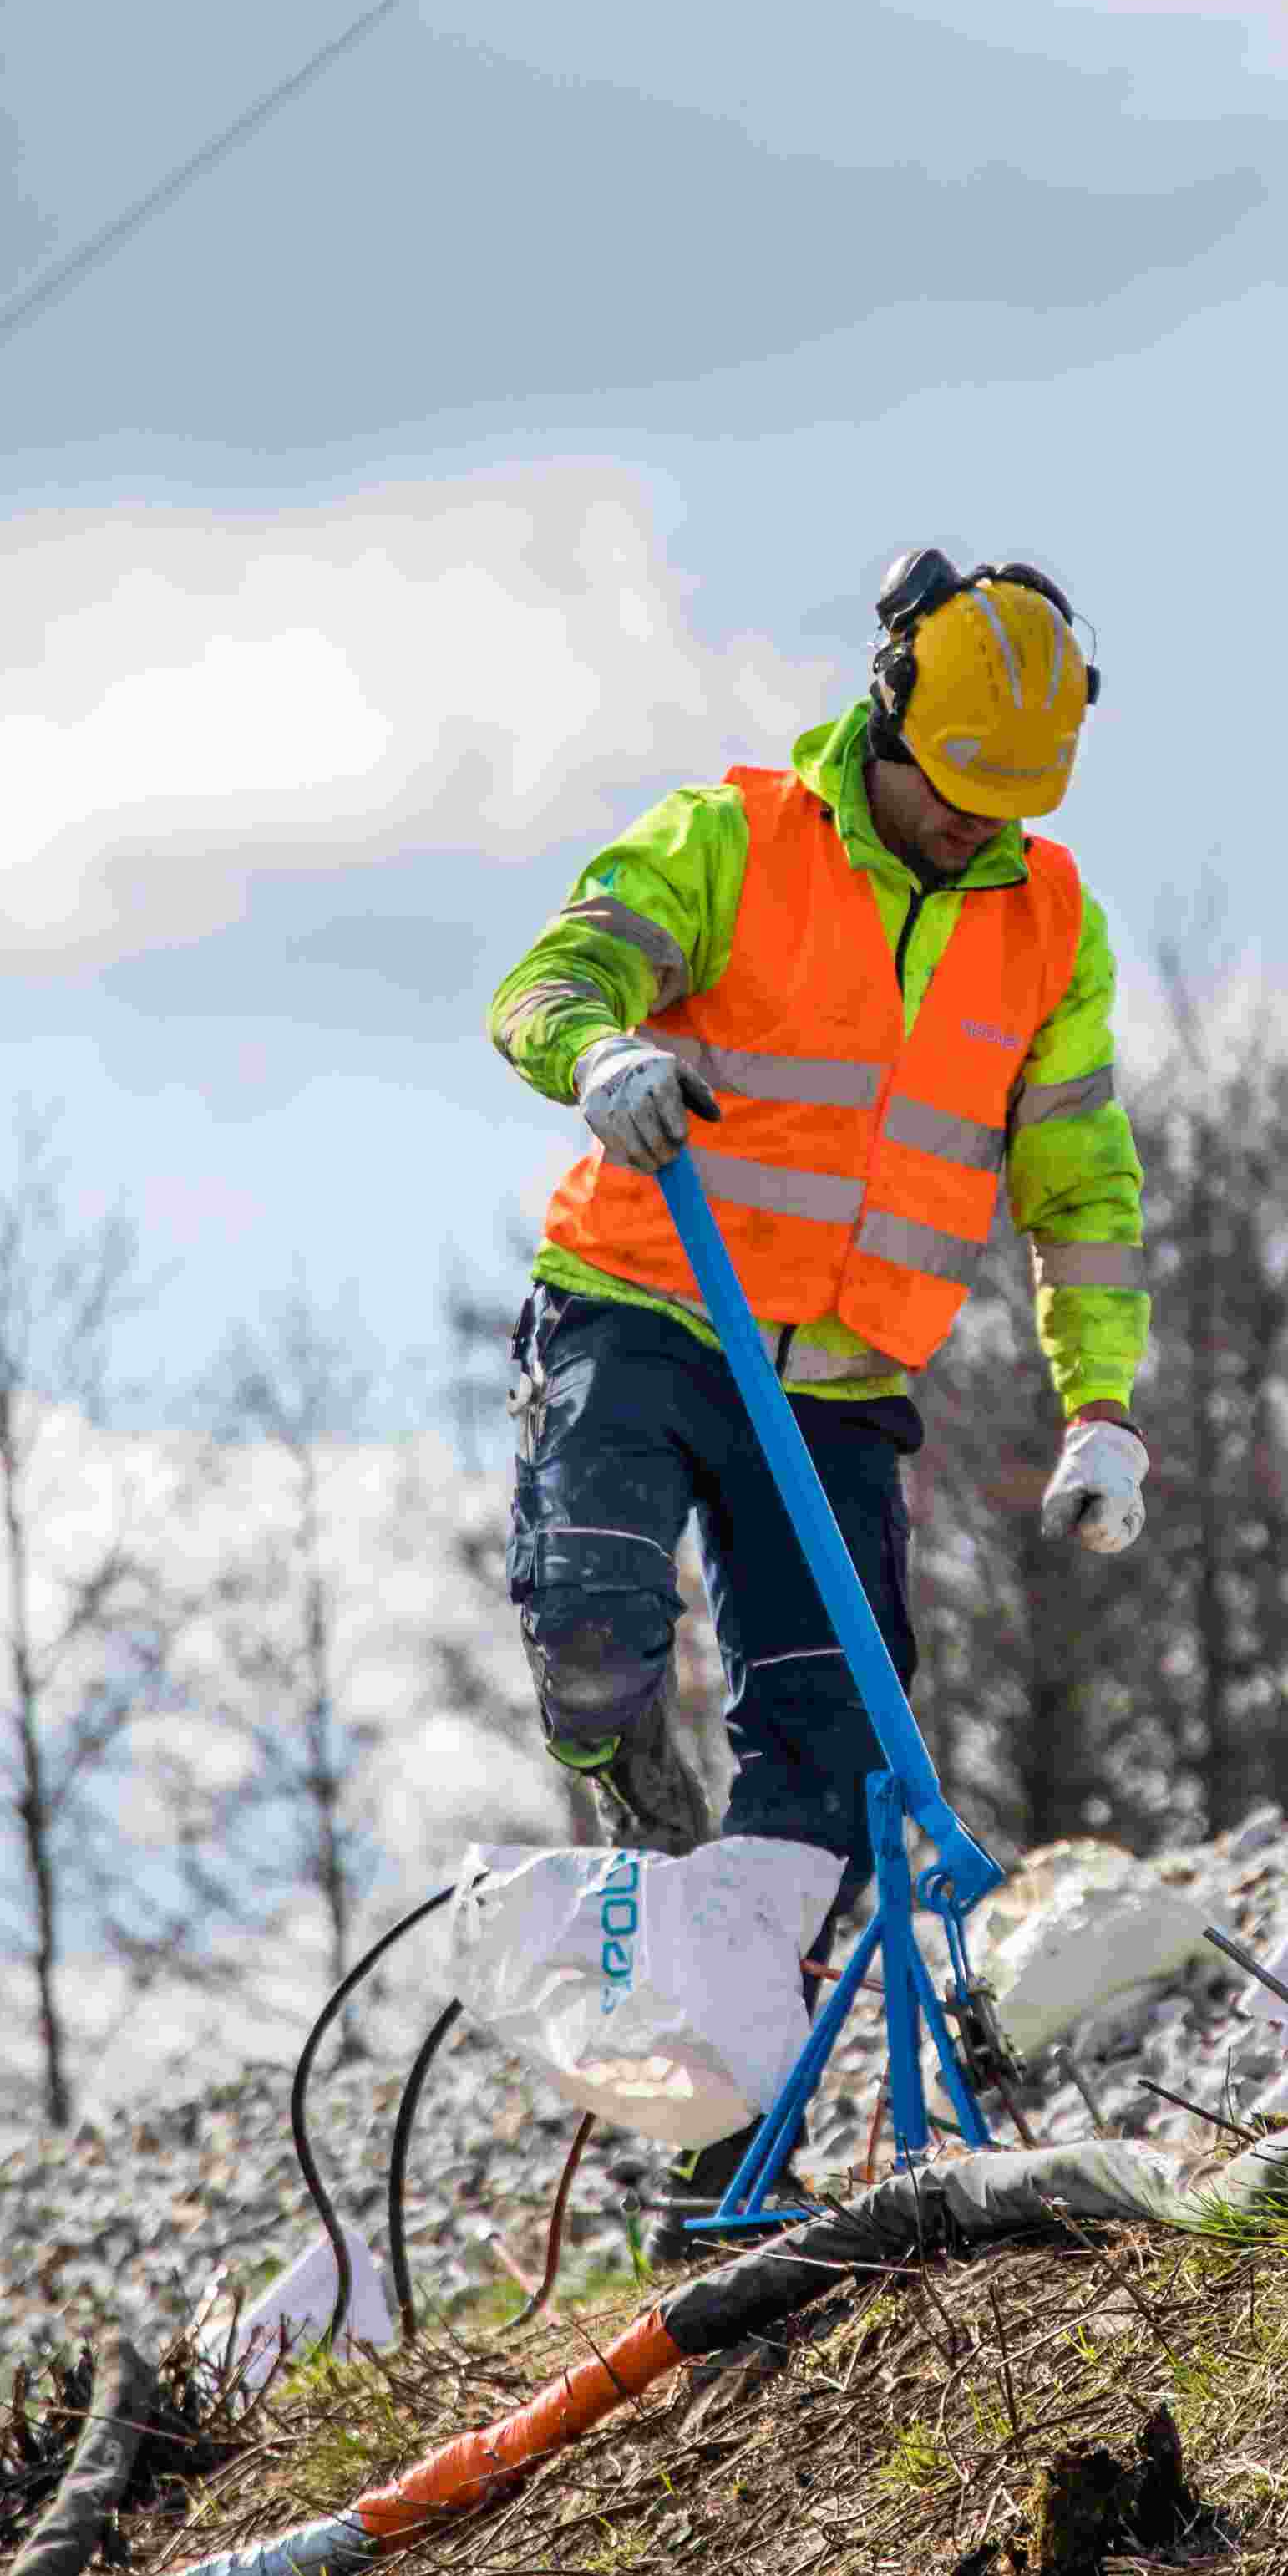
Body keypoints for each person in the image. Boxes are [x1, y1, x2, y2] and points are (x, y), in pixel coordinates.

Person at [483, 547, 1155, 1871]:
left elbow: (1078, 1185)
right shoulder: (731, 843)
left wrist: (1104, 1409)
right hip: (645, 1318)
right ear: (889, 716)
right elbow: (550, 980)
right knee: (591, 1628)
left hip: (839, 1388)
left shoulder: (1053, 928)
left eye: (1008, 805)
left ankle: (743, 2018)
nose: (979, 826)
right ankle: (631, 1783)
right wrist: (601, 1055)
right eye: (958, 793)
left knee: (835, 1755)